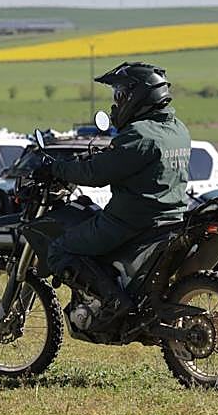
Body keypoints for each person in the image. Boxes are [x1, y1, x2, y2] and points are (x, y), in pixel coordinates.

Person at [39, 62, 191, 324]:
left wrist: (57, 169)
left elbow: (95, 175)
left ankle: (113, 301)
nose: (116, 102)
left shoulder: (138, 134)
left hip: (129, 221)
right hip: (172, 216)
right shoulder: (178, 129)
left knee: (59, 249)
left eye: (120, 94)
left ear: (138, 95)